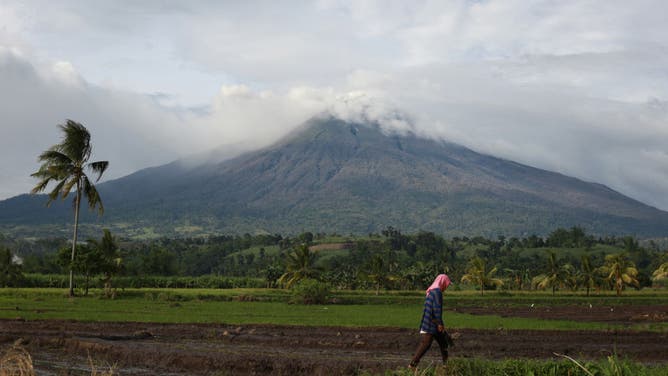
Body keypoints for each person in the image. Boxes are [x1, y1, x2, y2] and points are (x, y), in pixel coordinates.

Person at [408, 274, 452, 369]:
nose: (446, 287)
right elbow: (437, 309)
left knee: (444, 343)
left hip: (431, 320)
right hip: (432, 323)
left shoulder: (431, 291)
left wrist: (440, 323)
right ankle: (412, 365)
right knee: (426, 344)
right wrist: (439, 323)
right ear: (442, 282)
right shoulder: (437, 292)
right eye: (447, 284)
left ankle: (446, 366)